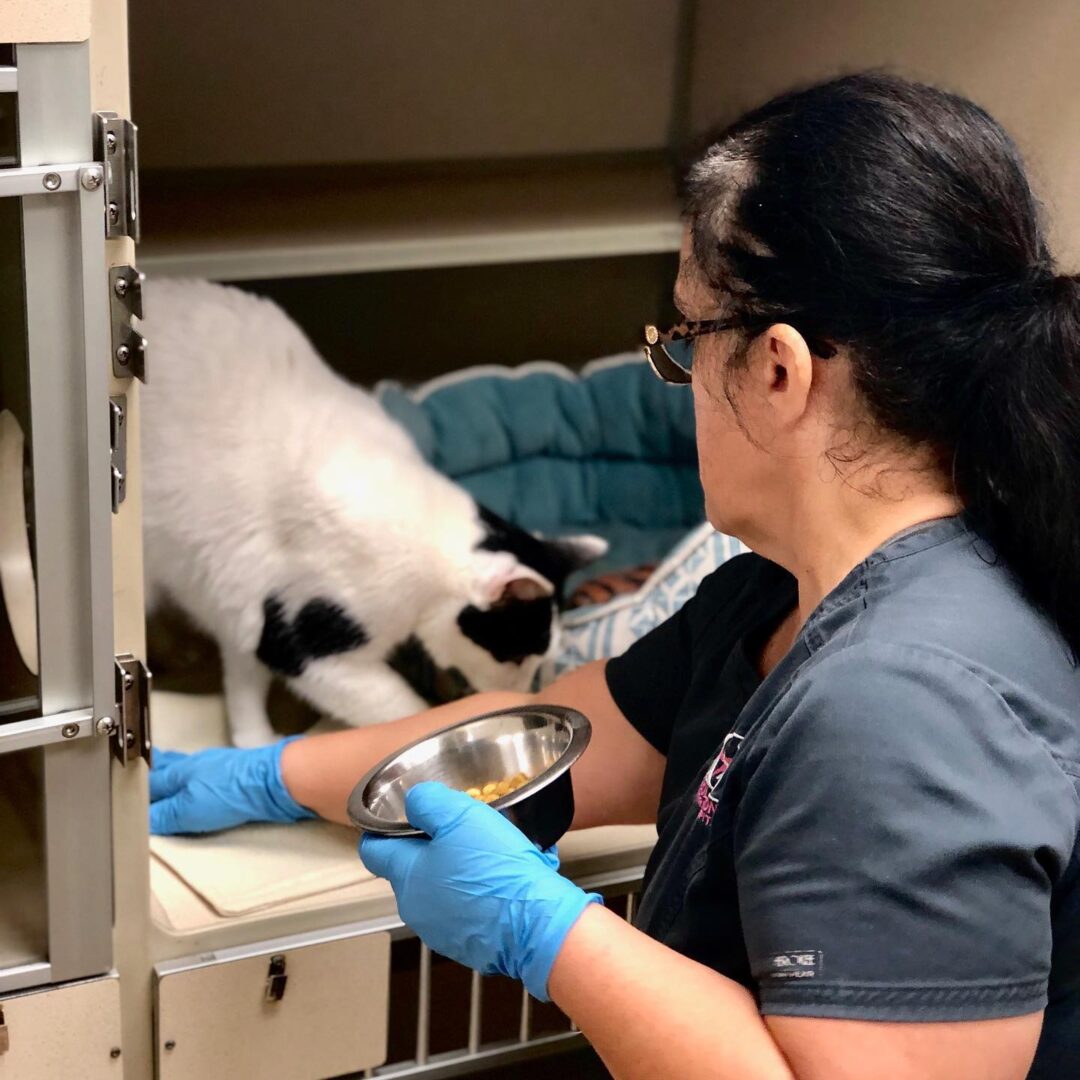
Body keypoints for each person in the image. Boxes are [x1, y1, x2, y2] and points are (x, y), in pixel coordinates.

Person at [148, 73, 1080, 1079]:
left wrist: (553, 938)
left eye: (683, 341)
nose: (676, 382)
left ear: (779, 371)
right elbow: (536, 745)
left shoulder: (903, 706)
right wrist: (261, 778)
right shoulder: (776, 596)